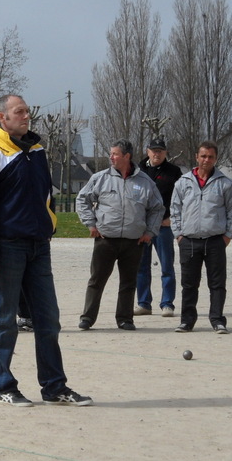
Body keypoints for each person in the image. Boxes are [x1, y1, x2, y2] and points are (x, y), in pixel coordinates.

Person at [0, 94, 92, 408]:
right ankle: (4, 386)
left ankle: (54, 386)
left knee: (48, 319)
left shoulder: (37, 152)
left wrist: (48, 228)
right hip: (8, 248)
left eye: (27, 111)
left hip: (39, 247)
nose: (26, 116)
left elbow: (44, 198)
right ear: (2, 117)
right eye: (19, 112)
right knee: (5, 319)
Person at [75, 139, 164, 331]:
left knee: (128, 282)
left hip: (133, 242)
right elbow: (83, 199)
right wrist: (90, 224)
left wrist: (150, 232)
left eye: (115, 154)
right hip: (106, 240)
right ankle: (87, 318)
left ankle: (125, 319)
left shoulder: (145, 182)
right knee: (96, 280)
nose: (111, 157)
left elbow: (157, 208)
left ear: (127, 156)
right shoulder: (100, 178)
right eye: (111, 153)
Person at [169, 141, 232, 333]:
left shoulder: (225, 183)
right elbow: (174, 210)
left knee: (217, 284)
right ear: (196, 157)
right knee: (189, 284)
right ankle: (187, 321)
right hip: (189, 241)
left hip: (216, 240)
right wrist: (178, 235)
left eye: (210, 157)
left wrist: (227, 236)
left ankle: (217, 320)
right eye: (203, 156)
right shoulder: (183, 182)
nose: (206, 160)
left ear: (216, 159)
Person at [134, 138, 183, 317]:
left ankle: (167, 303)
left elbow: (181, 197)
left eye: (160, 151)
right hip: (142, 226)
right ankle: (144, 303)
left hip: (163, 226)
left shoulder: (174, 172)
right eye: (154, 150)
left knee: (166, 266)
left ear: (165, 152)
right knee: (141, 266)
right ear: (148, 151)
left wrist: (172, 218)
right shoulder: (138, 170)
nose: (157, 154)